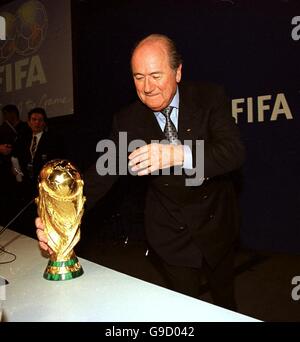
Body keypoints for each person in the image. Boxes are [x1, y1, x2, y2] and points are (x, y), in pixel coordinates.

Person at [36, 34, 245, 310]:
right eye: (138, 77)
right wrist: (59, 218)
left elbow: (233, 153)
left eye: (156, 75)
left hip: (215, 224)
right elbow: (102, 175)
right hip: (170, 233)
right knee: (184, 309)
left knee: (226, 304)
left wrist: (179, 153)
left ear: (178, 71)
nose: (147, 87)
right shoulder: (128, 121)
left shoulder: (209, 98)